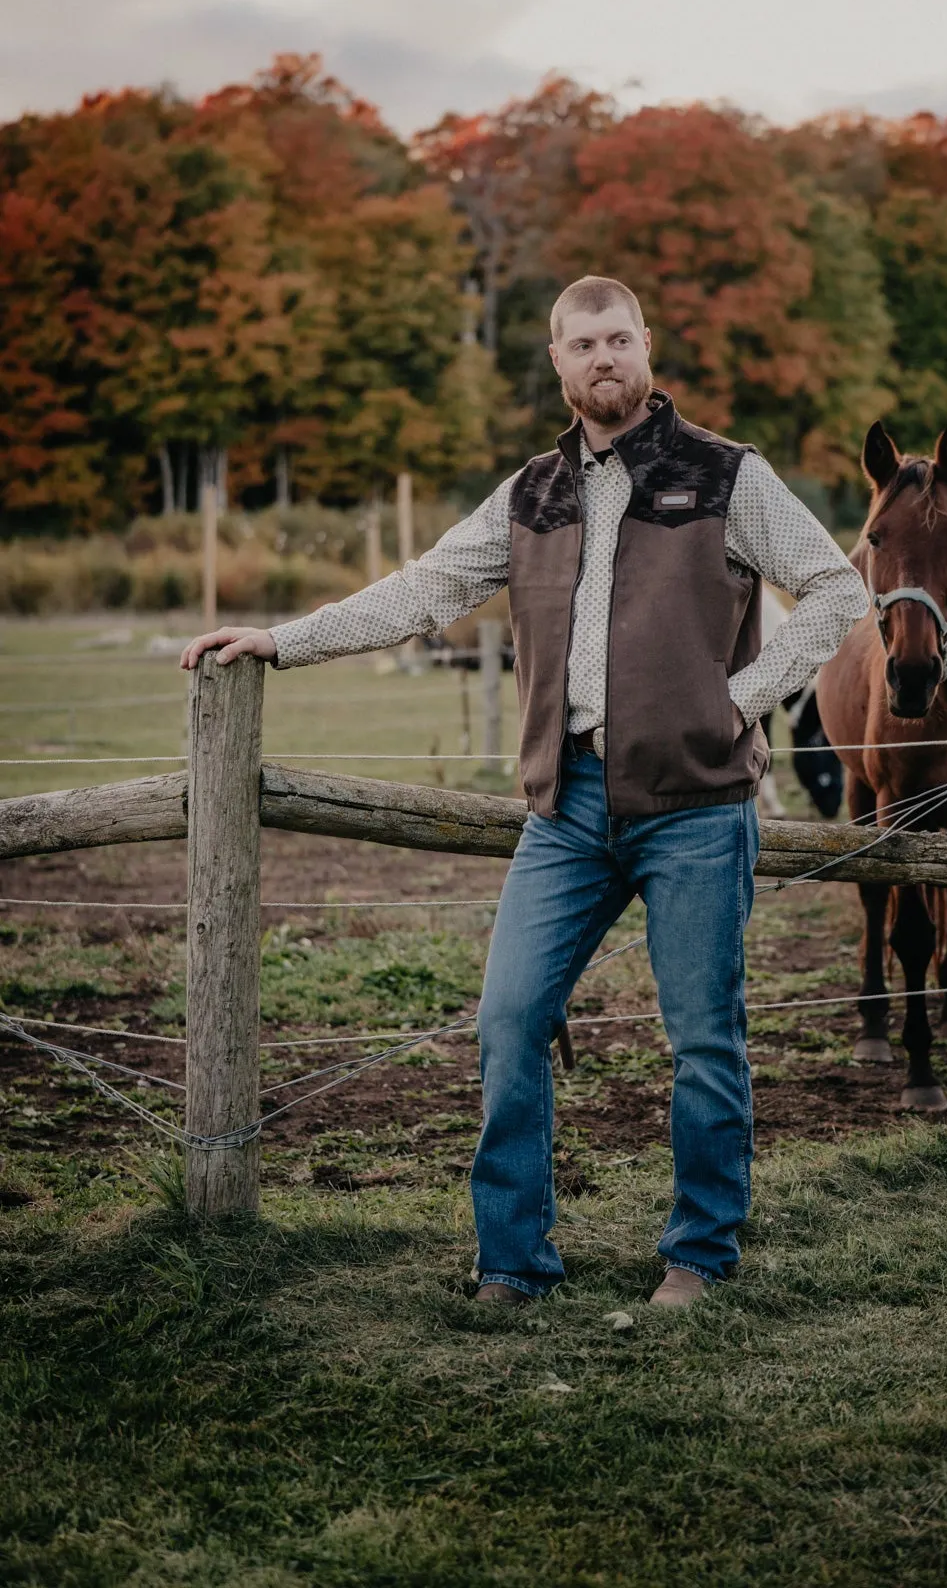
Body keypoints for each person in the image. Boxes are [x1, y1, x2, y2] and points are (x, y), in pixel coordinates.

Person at [181, 276, 869, 1308]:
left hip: (695, 804)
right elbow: (423, 589)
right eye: (584, 343)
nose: (605, 357)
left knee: (704, 1039)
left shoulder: (727, 475)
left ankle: (699, 1256)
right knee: (508, 1021)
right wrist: (282, 641)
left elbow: (839, 589)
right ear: (557, 362)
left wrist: (742, 700)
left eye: (621, 339)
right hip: (571, 808)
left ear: (646, 350)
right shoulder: (532, 493)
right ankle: (513, 1262)